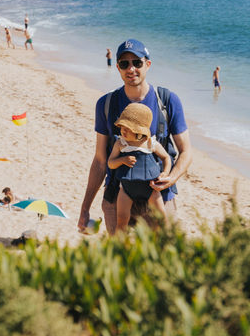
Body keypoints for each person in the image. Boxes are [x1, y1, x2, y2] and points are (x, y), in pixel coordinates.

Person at [78, 38, 192, 235]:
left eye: (137, 63)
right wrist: (85, 208)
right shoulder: (106, 104)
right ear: (118, 68)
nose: (131, 69)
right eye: (124, 64)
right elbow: (99, 161)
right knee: (121, 260)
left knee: (164, 258)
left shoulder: (167, 101)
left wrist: (171, 178)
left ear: (148, 64)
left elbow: (186, 152)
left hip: (159, 197)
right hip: (118, 197)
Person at [107, 103, 171, 230]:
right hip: (126, 189)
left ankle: (166, 242)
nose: (123, 130)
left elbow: (166, 157)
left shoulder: (150, 143)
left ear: (140, 130)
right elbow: (111, 163)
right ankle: (120, 245)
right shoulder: (121, 143)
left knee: (162, 220)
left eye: (129, 128)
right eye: (122, 127)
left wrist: (166, 172)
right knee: (121, 220)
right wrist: (122, 160)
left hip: (150, 188)